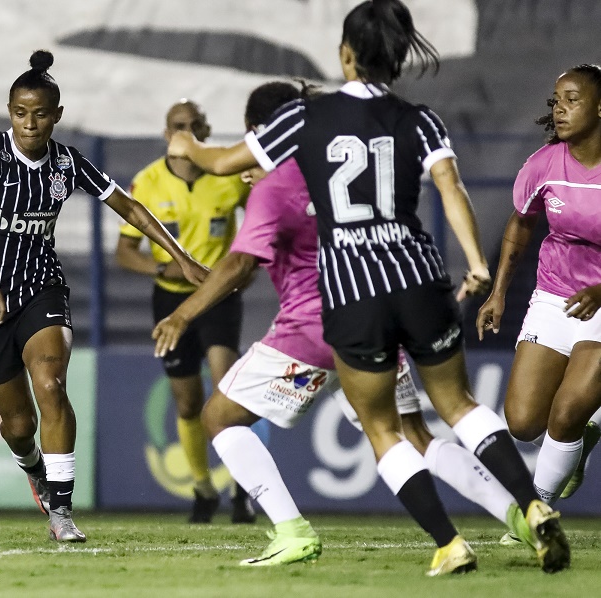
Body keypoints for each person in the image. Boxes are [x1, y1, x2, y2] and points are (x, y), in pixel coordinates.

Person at [165, 0, 570, 576]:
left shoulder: (302, 126)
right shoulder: (419, 117)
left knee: (359, 430)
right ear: (401, 55)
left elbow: (228, 180)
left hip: (345, 302)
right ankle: (527, 509)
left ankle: (418, 540)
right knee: (448, 413)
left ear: (345, 54)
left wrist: (188, 148)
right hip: (419, 279)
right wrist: (474, 260)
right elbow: (450, 185)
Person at [0, 50, 207, 543]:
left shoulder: (66, 162)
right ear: (9, 111)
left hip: (42, 289)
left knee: (51, 385)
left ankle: (61, 515)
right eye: (20, 113)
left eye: (40, 113)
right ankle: (35, 469)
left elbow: (130, 208)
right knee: (18, 425)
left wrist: (183, 255)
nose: (29, 123)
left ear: (57, 115)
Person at [115, 99, 253, 524]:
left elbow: (263, 218)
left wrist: (247, 265)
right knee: (188, 402)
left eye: (194, 126)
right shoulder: (147, 183)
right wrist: (161, 266)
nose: (187, 133)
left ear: (206, 131)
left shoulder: (229, 176)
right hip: (170, 297)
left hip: (218, 297)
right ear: (166, 134)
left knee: (226, 386)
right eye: (179, 126)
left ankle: (243, 489)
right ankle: (203, 487)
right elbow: (124, 251)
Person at [477, 64, 601, 512]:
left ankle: (537, 509)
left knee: (566, 413)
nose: (560, 108)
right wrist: (499, 292)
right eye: (556, 100)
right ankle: (586, 430)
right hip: (555, 295)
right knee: (524, 422)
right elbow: (522, 224)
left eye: (572, 99)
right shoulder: (544, 164)